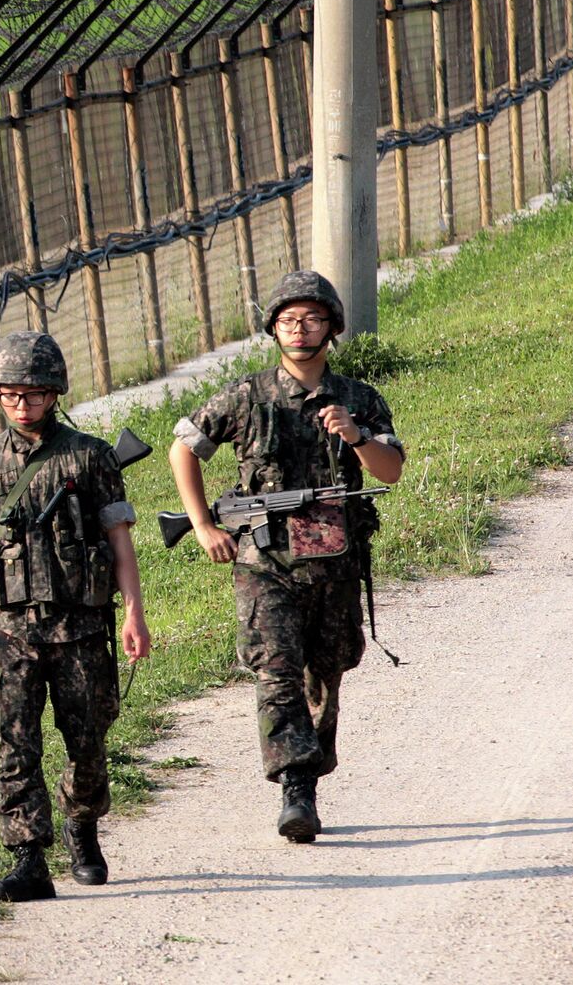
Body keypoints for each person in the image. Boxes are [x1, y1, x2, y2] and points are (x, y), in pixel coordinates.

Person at [167, 270, 405, 843]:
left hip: (336, 562)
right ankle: (294, 787)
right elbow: (185, 447)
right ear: (272, 327)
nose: (300, 330)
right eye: (289, 320)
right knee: (275, 670)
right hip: (265, 562)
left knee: (327, 672)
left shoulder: (358, 399)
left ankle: (310, 778)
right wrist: (202, 524)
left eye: (313, 319)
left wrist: (356, 436)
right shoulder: (247, 396)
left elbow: (390, 471)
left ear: (332, 327)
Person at [0, 330, 150, 901]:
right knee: (14, 742)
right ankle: (28, 858)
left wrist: (134, 612)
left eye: (31, 394)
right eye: (8, 395)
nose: (20, 405)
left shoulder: (91, 455)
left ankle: (82, 825)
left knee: (89, 741)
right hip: (9, 630)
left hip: (80, 626)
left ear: (54, 392)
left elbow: (119, 539)